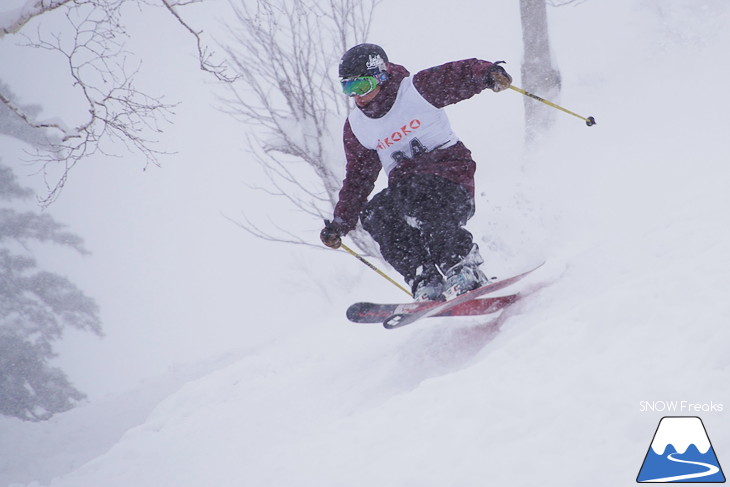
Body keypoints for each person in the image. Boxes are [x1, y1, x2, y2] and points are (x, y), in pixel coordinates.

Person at [320, 43, 512, 302]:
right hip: (406, 193)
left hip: (450, 179)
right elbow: (358, 177)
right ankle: (424, 278)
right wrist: (341, 222)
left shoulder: (417, 90)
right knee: (376, 213)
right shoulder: (358, 126)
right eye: (349, 88)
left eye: (361, 86)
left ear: (380, 76)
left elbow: (459, 74)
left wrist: (488, 74)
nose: (358, 97)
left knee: (419, 191)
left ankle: (462, 267)